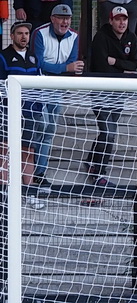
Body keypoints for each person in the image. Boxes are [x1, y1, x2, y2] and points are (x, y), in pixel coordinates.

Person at [31, 3, 84, 192]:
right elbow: (39, 64)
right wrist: (63, 69)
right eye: (61, 18)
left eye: (68, 18)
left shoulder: (75, 36)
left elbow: (72, 64)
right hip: (38, 87)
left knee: (50, 130)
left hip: (58, 89)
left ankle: (40, 174)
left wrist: (64, 69)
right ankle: (32, 171)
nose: (65, 22)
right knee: (40, 126)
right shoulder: (39, 33)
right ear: (52, 19)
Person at [86, 6, 137, 187]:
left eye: (124, 19)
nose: (122, 22)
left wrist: (115, 61)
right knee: (108, 132)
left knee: (108, 131)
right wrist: (122, 69)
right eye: (118, 19)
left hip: (119, 92)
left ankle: (90, 161)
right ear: (111, 21)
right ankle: (100, 172)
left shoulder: (131, 38)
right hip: (100, 92)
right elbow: (102, 66)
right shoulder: (100, 37)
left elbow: (134, 65)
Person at [0, 21, 45, 209]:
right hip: (8, 113)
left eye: (26, 33)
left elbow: (40, 83)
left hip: (30, 113)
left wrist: (39, 107)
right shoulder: (3, 57)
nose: (24, 36)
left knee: (28, 151)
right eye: (20, 33)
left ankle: (30, 193)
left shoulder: (34, 58)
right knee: (4, 150)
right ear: (12, 36)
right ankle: (4, 193)